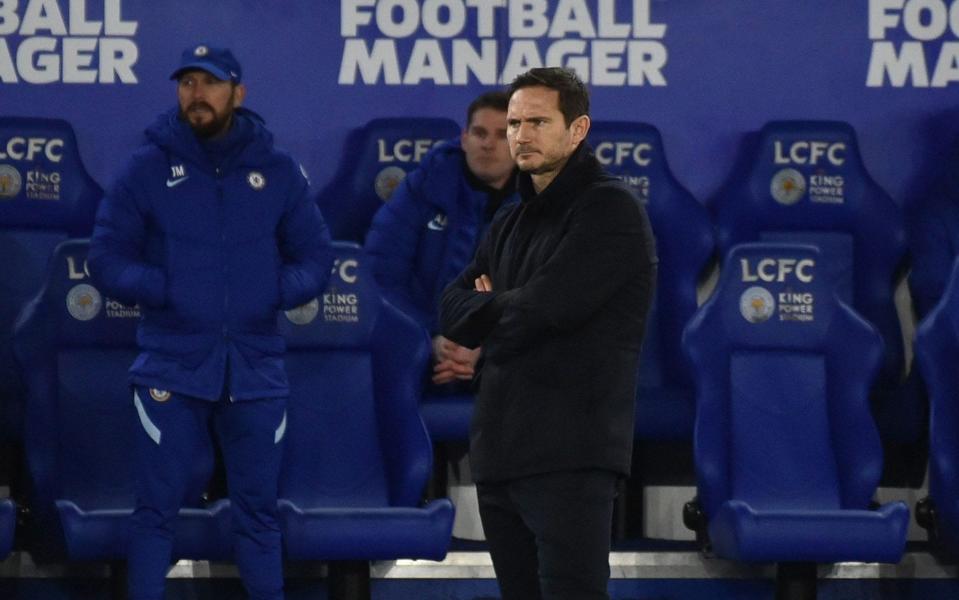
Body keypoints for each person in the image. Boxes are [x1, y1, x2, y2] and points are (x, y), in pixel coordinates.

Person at [88, 43, 333, 600]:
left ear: (237, 93)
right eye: (187, 83)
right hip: (171, 362)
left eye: (211, 83)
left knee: (259, 513)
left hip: (254, 366)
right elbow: (105, 257)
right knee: (154, 513)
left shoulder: (277, 171)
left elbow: (317, 259)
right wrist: (166, 287)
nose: (197, 94)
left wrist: (273, 290)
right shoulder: (145, 167)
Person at [439, 67, 657, 600]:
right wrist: (498, 307)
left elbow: (547, 309)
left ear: (577, 130)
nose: (521, 135)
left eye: (538, 121)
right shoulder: (509, 221)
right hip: (500, 451)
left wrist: (491, 307)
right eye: (514, 122)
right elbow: (450, 307)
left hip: (571, 453)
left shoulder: (611, 210)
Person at [365, 90, 518, 388]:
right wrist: (430, 338)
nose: (488, 144)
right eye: (479, 133)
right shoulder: (421, 189)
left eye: (502, 135)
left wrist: (486, 345)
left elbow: (545, 293)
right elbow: (381, 277)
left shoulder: (541, 202)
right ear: (464, 139)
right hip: (420, 345)